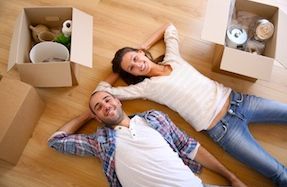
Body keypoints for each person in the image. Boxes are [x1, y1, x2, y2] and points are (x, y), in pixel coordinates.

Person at [95, 23, 287, 186]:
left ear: (141, 53)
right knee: (278, 173)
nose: (138, 65)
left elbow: (169, 27)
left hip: (240, 101)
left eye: (136, 58)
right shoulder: (145, 88)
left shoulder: (173, 58)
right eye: (131, 68)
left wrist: (142, 47)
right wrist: (120, 70)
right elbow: (101, 90)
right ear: (132, 75)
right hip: (225, 131)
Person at [48, 91, 246, 187]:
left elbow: (191, 147)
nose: (105, 106)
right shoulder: (100, 142)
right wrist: (88, 114)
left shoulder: (154, 118)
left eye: (107, 100)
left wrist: (232, 177)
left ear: (118, 100)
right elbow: (56, 141)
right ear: (98, 118)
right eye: (99, 107)